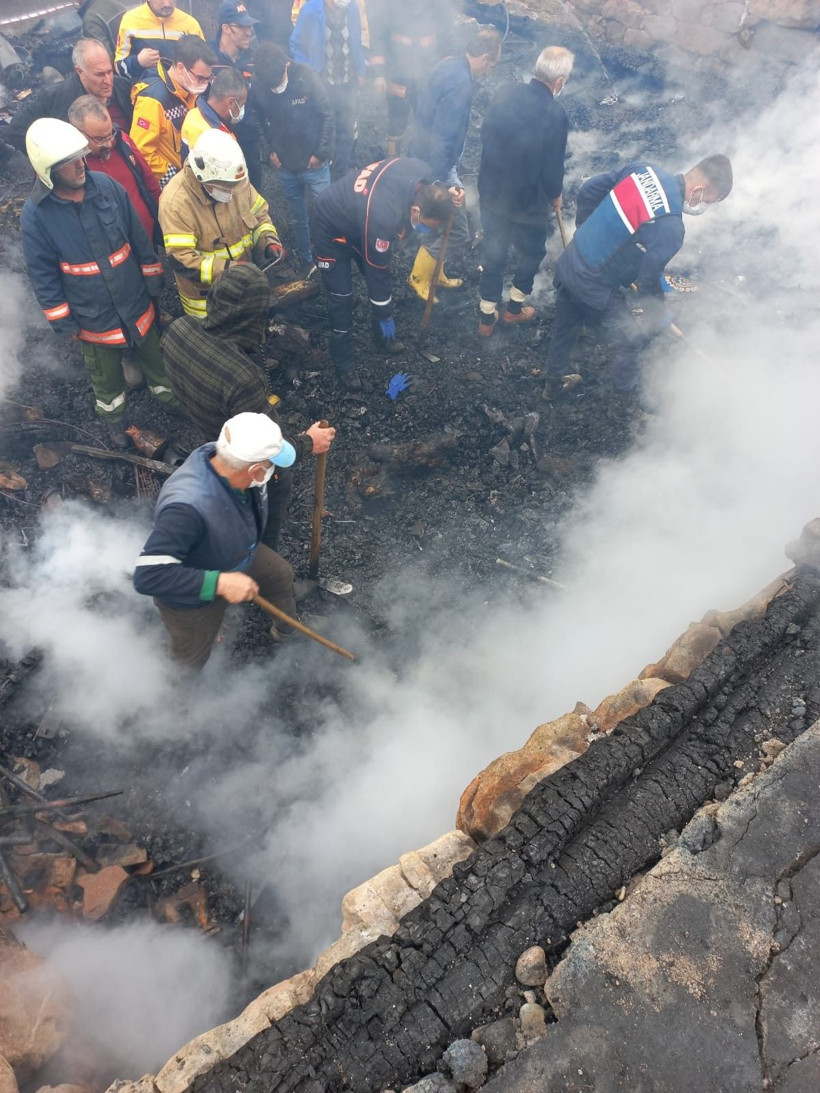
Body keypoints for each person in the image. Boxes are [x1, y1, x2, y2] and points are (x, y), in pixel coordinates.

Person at [20, 119, 179, 449]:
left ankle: (170, 400)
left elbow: (138, 237)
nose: (82, 163)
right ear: (48, 170)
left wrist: (153, 282)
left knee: (155, 359)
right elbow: (43, 274)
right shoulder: (36, 215)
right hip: (92, 316)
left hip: (135, 301)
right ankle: (114, 421)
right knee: (106, 379)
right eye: (70, 161)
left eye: (81, 155)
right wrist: (64, 322)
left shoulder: (106, 187)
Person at [542, 155, 734, 418]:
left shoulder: (644, 169)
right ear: (699, 190)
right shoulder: (671, 226)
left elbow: (589, 190)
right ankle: (622, 408)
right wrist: (659, 314)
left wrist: (585, 231)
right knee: (629, 339)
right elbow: (647, 282)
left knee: (565, 325)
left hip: (571, 260)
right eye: (706, 201)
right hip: (593, 284)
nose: (701, 206)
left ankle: (552, 384)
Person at [161, 264, 336, 549]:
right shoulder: (242, 379)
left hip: (207, 430)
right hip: (240, 460)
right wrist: (309, 441)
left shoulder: (178, 329)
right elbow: (275, 449)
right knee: (270, 495)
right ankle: (260, 562)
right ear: (251, 315)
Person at [133, 412, 298, 670]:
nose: (274, 470)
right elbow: (149, 576)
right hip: (193, 599)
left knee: (280, 575)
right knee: (190, 659)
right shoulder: (187, 507)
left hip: (239, 553)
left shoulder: (223, 458)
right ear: (255, 469)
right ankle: (180, 699)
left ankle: (285, 631)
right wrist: (219, 583)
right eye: (271, 464)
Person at [311, 157, 452, 391]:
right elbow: (378, 270)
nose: (426, 231)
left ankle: (382, 340)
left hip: (359, 221)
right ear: (415, 210)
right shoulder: (385, 215)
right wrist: (386, 313)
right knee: (342, 299)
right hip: (331, 227)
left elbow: (439, 187)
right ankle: (344, 365)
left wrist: (453, 193)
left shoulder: (424, 176)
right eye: (426, 224)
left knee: (377, 280)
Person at [477, 45, 574, 337]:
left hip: (492, 191)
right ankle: (513, 310)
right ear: (559, 82)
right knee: (532, 251)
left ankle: (486, 316)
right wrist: (555, 194)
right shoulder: (556, 115)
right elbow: (552, 166)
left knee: (493, 250)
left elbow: (484, 133)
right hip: (526, 201)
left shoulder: (505, 92)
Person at [406, 26, 502, 302]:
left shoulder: (449, 64)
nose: (489, 71)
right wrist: (437, 183)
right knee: (458, 229)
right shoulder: (462, 83)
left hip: (424, 155)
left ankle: (434, 273)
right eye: (491, 65)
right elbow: (445, 135)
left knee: (441, 224)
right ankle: (419, 277)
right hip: (437, 165)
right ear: (484, 57)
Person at [159, 128, 283, 317]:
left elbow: (259, 216)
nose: (231, 192)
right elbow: (181, 260)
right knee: (213, 346)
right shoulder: (175, 202)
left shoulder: (236, 181)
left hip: (244, 287)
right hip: (207, 301)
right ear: (202, 175)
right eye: (223, 186)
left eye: (233, 185)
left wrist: (269, 241)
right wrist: (228, 270)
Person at [255, 43, 333, 274]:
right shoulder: (260, 84)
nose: (276, 87)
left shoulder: (306, 76)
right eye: (271, 85)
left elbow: (327, 114)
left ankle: (329, 256)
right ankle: (306, 259)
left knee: (326, 213)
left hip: (314, 163)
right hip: (286, 166)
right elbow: (256, 116)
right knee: (299, 218)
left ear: (286, 65)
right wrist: (269, 150)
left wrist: (321, 153)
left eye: (278, 81)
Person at [4, 38, 134, 154]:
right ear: (80, 72)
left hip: (124, 160)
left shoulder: (124, 88)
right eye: (99, 74)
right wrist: (54, 159)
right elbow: (16, 132)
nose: (108, 80)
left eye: (109, 72)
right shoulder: (56, 97)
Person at [68, 95, 162, 246]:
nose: (109, 144)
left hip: (146, 241)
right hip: (111, 252)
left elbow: (149, 182)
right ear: (77, 132)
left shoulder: (122, 141)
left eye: (109, 134)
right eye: (99, 139)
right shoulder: (68, 166)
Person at [368, 0, 456, 158]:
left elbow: (448, 40)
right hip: (397, 76)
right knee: (396, 123)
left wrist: (447, 74)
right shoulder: (390, 5)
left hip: (428, 76)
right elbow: (378, 38)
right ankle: (392, 161)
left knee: (425, 122)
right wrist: (379, 73)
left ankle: (420, 161)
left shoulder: (439, 5)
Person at [290, 0, 368, 179]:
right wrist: (310, 72)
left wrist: (361, 69)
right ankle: (321, 171)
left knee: (347, 129)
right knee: (324, 126)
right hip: (322, 83)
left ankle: (341, 174)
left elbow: (356, 40)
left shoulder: (353, 8)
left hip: (348, 81)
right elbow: (295, 44)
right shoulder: (310, 11)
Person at [130, 35, 217, 187]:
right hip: (174, 183)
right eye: (200, 78)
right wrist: (178, 179)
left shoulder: (190, 90)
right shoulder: (151, 100)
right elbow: (142, 153)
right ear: (182, 68)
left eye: (208, 79)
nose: (204, 84)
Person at [209, 0, 265, 189]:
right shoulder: (206, 57)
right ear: (226, 28)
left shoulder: (255, 59)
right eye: (242, 27)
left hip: (249, 140)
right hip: (218, 140)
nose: (248, 32)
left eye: (249, 26)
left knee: (253, 189)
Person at [115, 0, 204, 82]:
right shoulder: (130, 20)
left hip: (183, 95)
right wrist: (138, 62)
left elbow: (205, 66)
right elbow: (118, 68)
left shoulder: (191, 24)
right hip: (144, 95)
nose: (167, 4)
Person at [180, 66, 248, 162]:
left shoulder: (194, 113)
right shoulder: (215, 139)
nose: (242, 109)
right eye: (241, 104)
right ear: (231, 103)